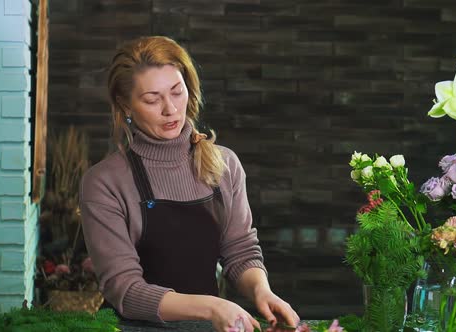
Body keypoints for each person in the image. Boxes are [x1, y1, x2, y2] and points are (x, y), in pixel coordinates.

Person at [79, 36, 300, 332]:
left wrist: (261, 290)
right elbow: (125, 290)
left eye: (176, 92)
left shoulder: (225, 164)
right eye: (152, 99)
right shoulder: (104, 182)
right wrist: (211, 306)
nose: (170, 109)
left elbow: (240, 251)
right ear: (126, 105)